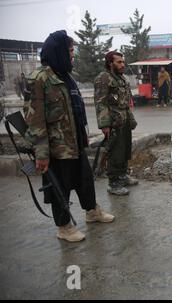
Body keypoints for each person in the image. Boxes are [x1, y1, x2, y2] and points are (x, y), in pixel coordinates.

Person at [24, 30, 114, 242]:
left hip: (74, 143)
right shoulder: (39, 78)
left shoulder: (66, 76)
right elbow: (34, 120)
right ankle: (64, 227)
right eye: (70, 51)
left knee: (85, 180)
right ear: (59, 52)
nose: (73, 55)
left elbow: (75, 112)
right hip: (56, 149)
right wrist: (42, 153)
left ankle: (92, 212)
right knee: (60, 187)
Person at [94, 51, 138, 196]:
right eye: (119, 62)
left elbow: (125, 103)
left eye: (123, 62)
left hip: (124, 120)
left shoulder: (121, 79)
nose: (122, 64)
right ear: (110, 63)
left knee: (125, 149)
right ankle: (113, 183)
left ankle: (122, 176)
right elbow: (100, 103)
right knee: (114, 152)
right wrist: (105, 124)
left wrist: (130, 118)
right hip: (113, 122)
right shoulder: (104, 78)